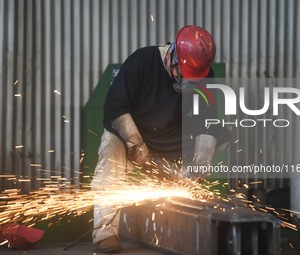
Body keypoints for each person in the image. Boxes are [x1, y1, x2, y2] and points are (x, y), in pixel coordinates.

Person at [90, 25, 230, 253]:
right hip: (130, 132)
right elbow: (115, 108)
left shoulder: (204, 75)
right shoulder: (142, 61)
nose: (187, 83)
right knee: (110, 158)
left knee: (212, 150)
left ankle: (183, 232)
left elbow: (206, 120)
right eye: (183, 75)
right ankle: (105, 233)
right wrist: (136, 144)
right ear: (172, 54)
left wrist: (201, 161)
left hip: (171, 137)